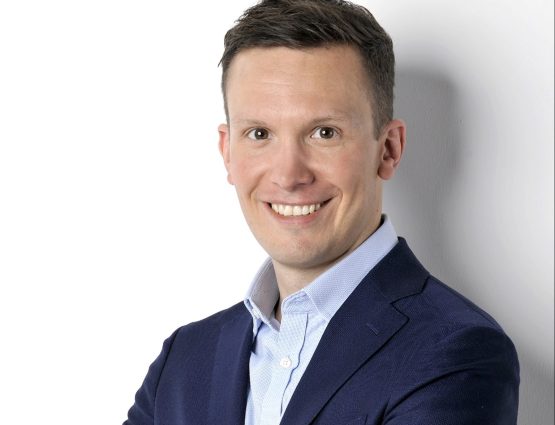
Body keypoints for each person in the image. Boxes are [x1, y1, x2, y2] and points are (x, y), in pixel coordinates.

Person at [124, 1, 520, 424]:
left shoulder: (456, 352)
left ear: (388, 150)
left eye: (324, 132)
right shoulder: (183, 360)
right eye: (260, 133)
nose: (289, 175)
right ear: (228, 152)